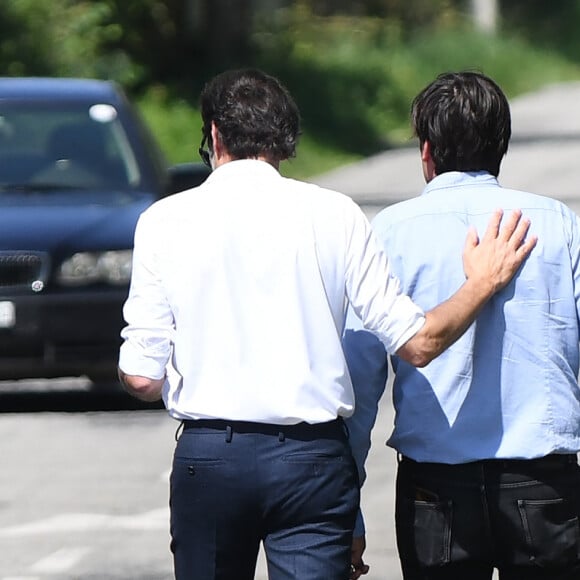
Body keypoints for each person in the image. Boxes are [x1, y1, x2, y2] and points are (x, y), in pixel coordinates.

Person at [117, 68, 535, 580]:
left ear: (214, 135)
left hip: (212, 459)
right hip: (311, 460)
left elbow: (141, 376)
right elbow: (419, 343)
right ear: (286, 142)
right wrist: (481, 284)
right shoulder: (335, 214)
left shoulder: (164, 220)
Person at [344, 70, 580, 580]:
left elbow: (358, 387)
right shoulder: (558, 222)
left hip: (436, 488)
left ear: (426, 152)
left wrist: (347, 508)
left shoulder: (390, 231)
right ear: (502, 146)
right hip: (544, 481)